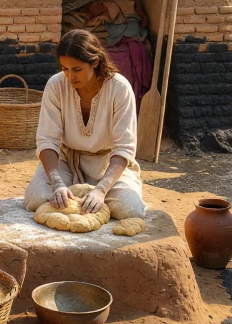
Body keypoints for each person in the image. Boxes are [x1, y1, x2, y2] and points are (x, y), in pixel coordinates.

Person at [24, 29, 146, 221]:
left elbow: (124, 148)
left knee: (130, 209)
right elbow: (47, 140)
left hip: (109, 165)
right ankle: (74, 196)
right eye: (65, 69)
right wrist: (57, 184)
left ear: (95, 62)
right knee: (37, 199)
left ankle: (95, 199)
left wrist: (101, 190)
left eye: (77, 69)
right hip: (65, 161)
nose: (70, 76)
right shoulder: (55, 85)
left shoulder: (119, 88)